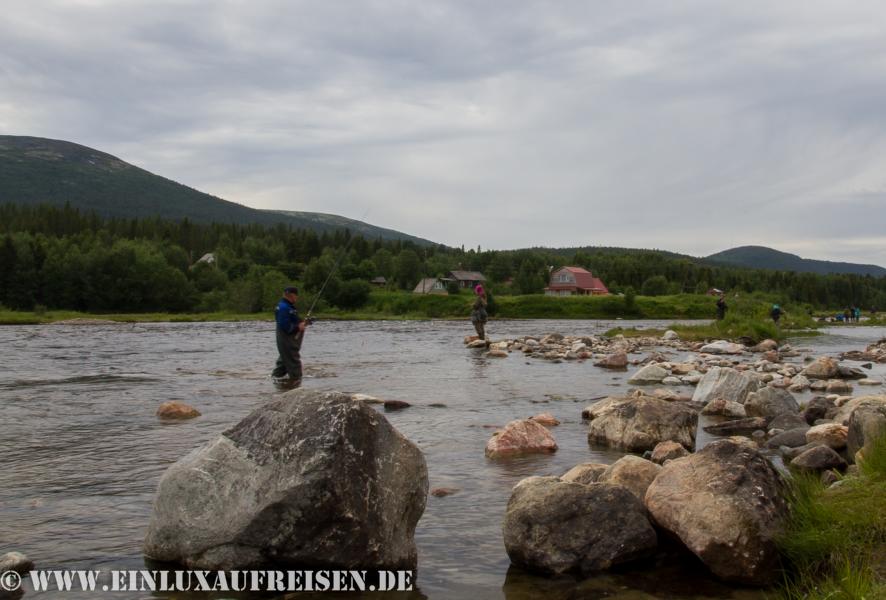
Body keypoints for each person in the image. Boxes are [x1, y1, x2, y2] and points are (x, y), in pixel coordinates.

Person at [271, 286, 308, 385]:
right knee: (294, 363)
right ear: (292, 295)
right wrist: (298, 328)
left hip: (286, 340)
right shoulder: (284, 307)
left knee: (283, 363)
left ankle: (275, 383)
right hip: (287, 341)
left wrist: (302, 323)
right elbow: (285, 326)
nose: (296, 298)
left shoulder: (285, 306)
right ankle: (296, 386)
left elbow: (292, 320)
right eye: (296, 296)